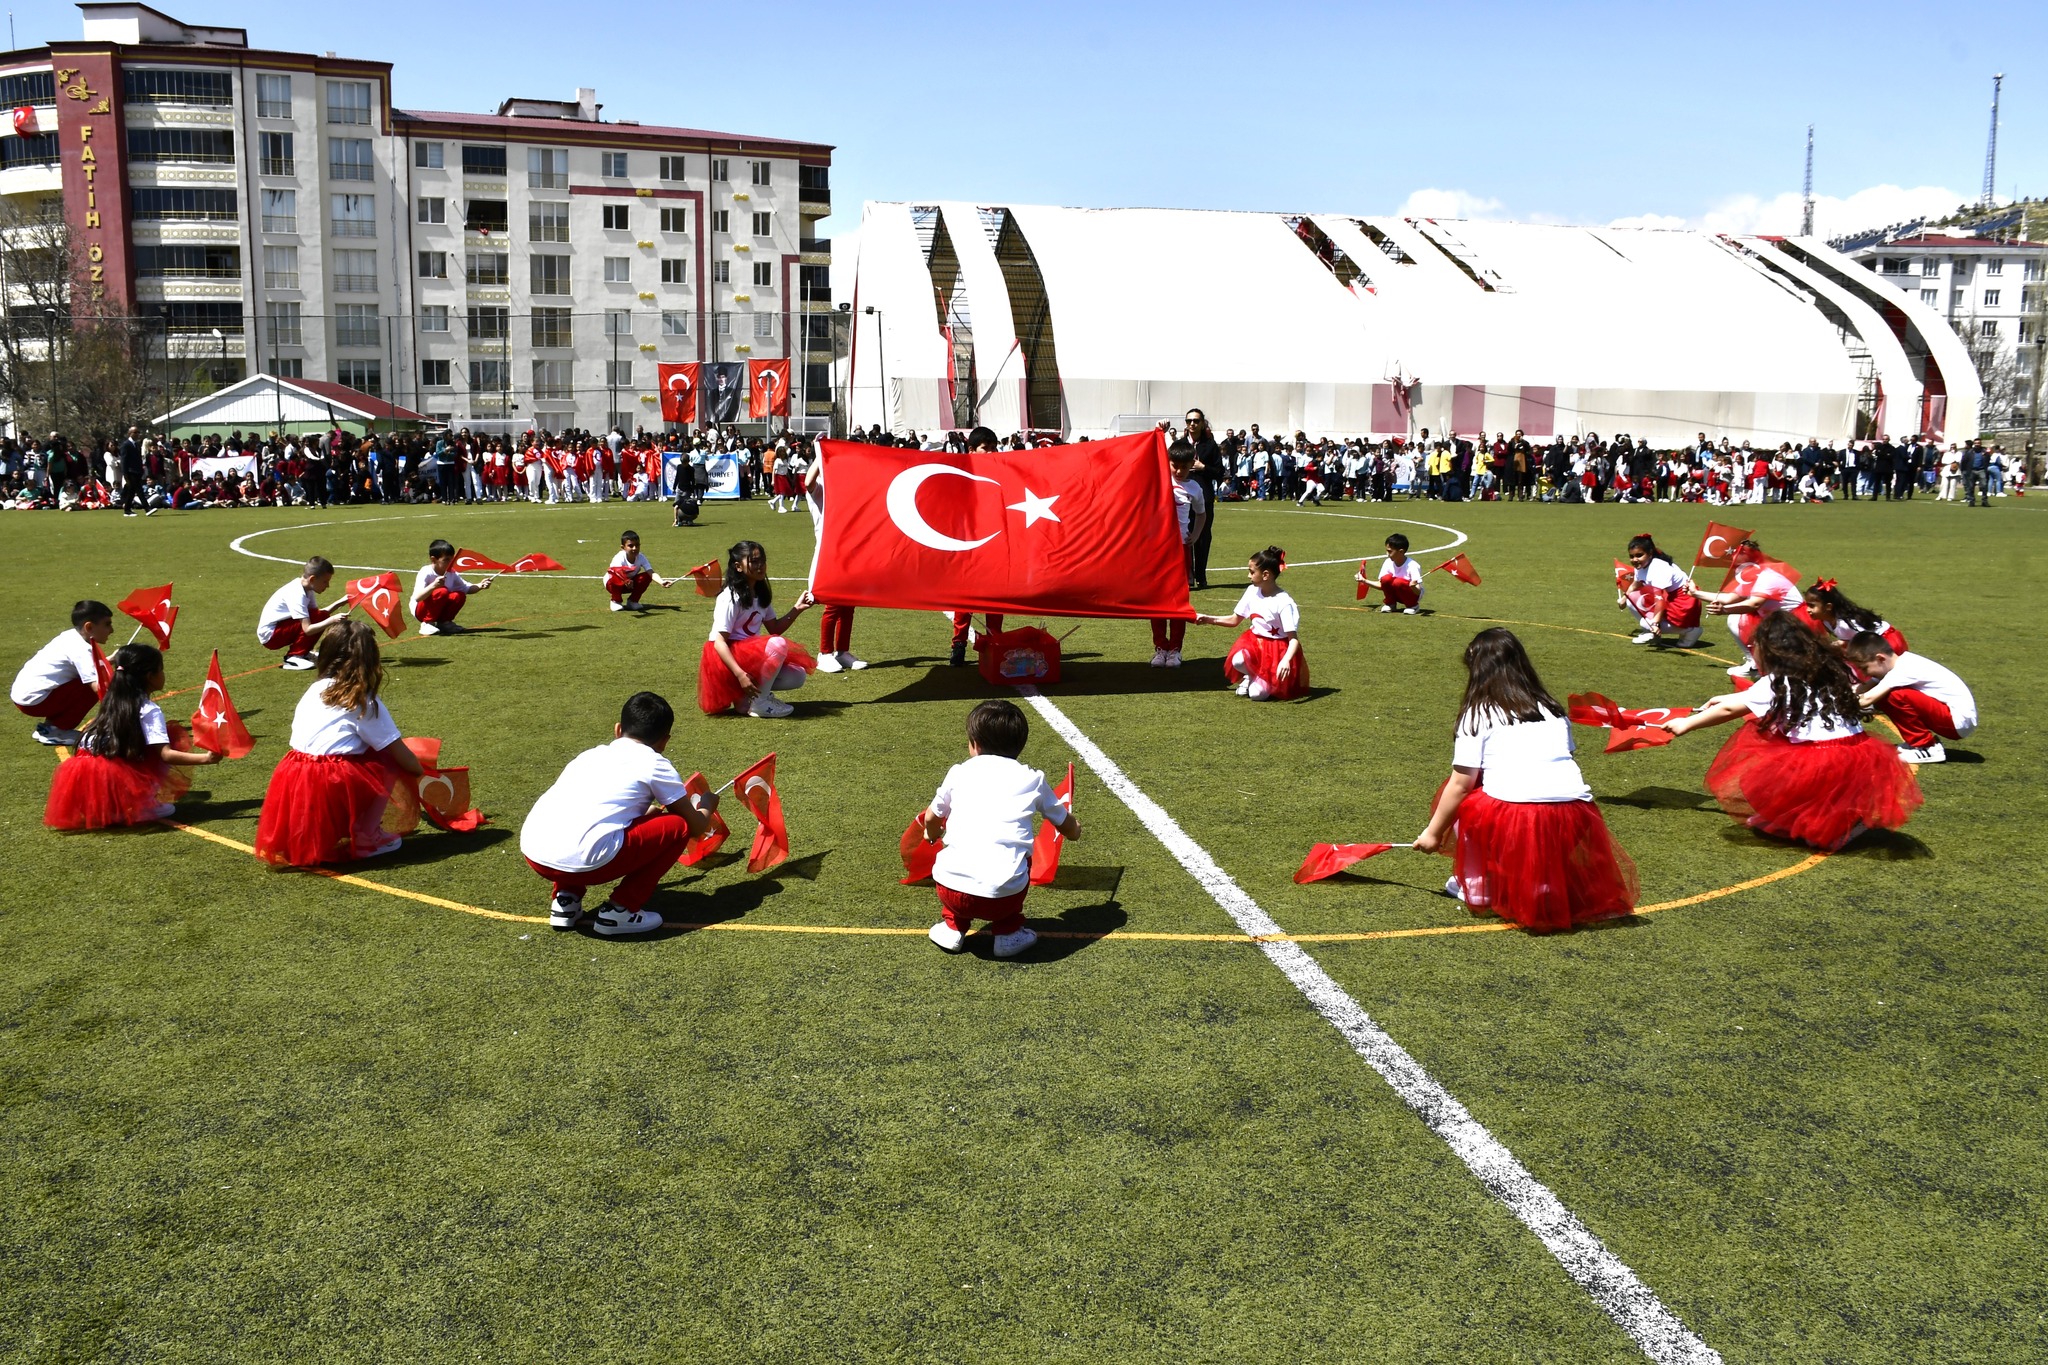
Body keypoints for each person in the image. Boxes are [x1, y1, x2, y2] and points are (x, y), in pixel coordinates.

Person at [1413, 628, 1637, 932]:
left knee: (1465, 800)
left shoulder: (1478, 713)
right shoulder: (1553, 709)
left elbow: (1460, 784)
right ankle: (1542, 882)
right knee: (1514, 806)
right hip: (1576, 813)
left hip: (1517, 812)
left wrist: (1432, 832)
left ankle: (1478, 886)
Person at [1658, 614, 1921, 850]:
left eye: (1755, 647)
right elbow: (1743, 699)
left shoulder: (1778, 680)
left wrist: (1687, 724)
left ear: (1770, 651)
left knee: (1767, 777)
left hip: (1821, 758)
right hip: (1858, 749)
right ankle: (1838, 819)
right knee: (1811, 783)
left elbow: (1730, 710)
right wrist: (1725, 696)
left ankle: (1834, 831)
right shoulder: (1828, 669)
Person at [519, 691, 723, 937]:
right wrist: (707, 804)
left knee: (578, 819)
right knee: (677, 825)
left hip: (534, 853)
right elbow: (695, 827)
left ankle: (566, 901)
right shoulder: (656, 764)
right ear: (664, 741)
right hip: (588, 863)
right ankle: (620, 911)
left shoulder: (588, 756)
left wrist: (643, 815)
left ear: (618, 729)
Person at [254, 620, 429, 866]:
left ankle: (316, 833)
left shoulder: (315, 689)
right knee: (385, 759)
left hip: (294, 772)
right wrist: (421, 772)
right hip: (331, 778)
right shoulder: (362, 700)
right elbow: (401, 754)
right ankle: (367, 836)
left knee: (359, 753)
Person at [916, 698, 1078, 959]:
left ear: (975, 745)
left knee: (954, 856)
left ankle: (953, 926)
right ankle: (1008, 932)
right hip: (1004, 896)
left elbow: (932, 818)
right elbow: (1064, 821)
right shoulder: (1032, 778)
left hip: (950, 887)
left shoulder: (959, 772)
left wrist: (931, 835)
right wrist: (1075, 831)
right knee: (1021, 858)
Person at [44, 643, 219, 830]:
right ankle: (130, 807)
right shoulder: (149, 710)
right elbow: (165, 755)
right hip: (110, 772)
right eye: (161, 670)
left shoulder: (113, 699)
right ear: (150, 676)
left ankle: (109, 805)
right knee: (166, 805)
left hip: (84, 771)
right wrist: (206, 758)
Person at [699, 539, 815, 718]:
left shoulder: (759, 594)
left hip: (750, 658)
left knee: (797, 676)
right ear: (738, 566)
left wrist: (797, 609)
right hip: (727, 659)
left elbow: (775, 627)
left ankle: (749, 697)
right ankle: (760, 702)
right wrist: (740, 675)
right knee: (777, 644)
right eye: (754, 561)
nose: (760, 566)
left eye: (762, 560)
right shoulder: (730, 596)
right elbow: (719, 642)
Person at [1843, 633, 1976, 765]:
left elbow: (1867, 699)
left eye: (1865, 668)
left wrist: (1839, 705)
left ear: (1880, 658)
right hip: (1952, 716)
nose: (1865, 673)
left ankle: (1927, 748)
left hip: (1957, 721)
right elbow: (1862, 688)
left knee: (1894, 696)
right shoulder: (1896, 665)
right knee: (1887, 694)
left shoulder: (1903, 670)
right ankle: (1918, 744)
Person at [1194, 545, 1306, 701]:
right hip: (1255, 643)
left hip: (1277, 651)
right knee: (1238, 660)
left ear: (1266, 575)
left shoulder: (1284, 602)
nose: (1249, 576)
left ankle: (1260, 679)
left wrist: (1286, 660)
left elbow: (1293, 639)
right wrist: (1207, 619)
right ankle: (1251, 676)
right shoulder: (1252, 591)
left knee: (1257, 695)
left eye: (1252, 572)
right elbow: (1234, 620)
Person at [1694, 538, 1801, 678]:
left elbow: (1754, 604)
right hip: (1775, 618)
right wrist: (1694, 593)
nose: (1732, 560)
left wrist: (1724, 610)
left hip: (1793, 621)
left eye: (1737, 556)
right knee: (1736, 618)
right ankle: (1754, 664)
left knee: (1790, 667)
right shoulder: (1750, 575)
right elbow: (1728, 599)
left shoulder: (1767, 577)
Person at [13, 599, 114, 745]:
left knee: (89, 678)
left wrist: (111, 659)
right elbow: (99, 688)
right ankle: (58, 729)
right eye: (107, 624)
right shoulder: (82, 649)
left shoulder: (70, 636)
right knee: (92, 685)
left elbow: (88, 666)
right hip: (35, 701)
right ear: (89, 627)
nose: (111, 630)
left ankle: (49, 728)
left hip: (26, 696)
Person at [801, 453, 867, 674]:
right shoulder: (820, 492)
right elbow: (808, 482)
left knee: (849, 605)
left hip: (850, 555)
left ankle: (843, 651)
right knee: (833, 606)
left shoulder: (846, 494)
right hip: (830, 556)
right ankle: (825, 653)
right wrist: (821, 455)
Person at [949, 427, 1006, 667]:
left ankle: (994, 642)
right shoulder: (958, 472)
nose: (991, 452)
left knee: (996, 598)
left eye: (994, 448)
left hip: (993, 545)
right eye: (986, 448)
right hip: (967, 546)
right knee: (965, 600)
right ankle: (958, 645)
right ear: (972, 450)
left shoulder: (1002, 472)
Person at [1150, 440, 1207, 668]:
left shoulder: (1194, 488)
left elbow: (1201, 514)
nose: (1179, 471)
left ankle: (1175, 649)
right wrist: (1160, 432)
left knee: (1178, 601)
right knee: (1156, 601)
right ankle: (1159, 647)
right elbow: (1150, 455)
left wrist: (1195, 534)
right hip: (1157, 549)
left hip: (1180, 550)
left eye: (1184, 467)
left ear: (1192, 464)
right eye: (1175, 466)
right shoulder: (1159, 480)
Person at [258, 556, 355, 670]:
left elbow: (318, 615)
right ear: (313, 579)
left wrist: (340, 602)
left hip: (280, 629)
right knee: (319, 618)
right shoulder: (297, 594)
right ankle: (294, 657)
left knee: (319, 616)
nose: (327, 586)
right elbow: (308, 629)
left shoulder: (307, 588)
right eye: (325, 581)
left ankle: (303, 653)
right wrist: (332, 620)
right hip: (271, 636)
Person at [1620, 533, 1704, 648]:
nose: (1635, 560)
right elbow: (1637, 583)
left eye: (1639, 555)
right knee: (1632, 599)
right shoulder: (1641, 566)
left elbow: (1661, 599)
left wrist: (1655, 623)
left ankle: (1690, 630)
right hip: (1670, 599)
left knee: (1645, 623)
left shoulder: (1659, 568)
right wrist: (1624, 598)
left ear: (1650, 554)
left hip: (1683, 603)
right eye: (1632, 556)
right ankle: (1651, 630)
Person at [1800, 579, 1907, 654]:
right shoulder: (1826, 621)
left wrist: (1842, 644)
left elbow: (1866, 641)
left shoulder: (1845, 624)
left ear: (1828, 607)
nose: (1807, 610)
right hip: (1872, 642)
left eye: (1812, 606)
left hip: (1887, 641)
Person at [412, 538, 492, 636]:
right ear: (433, 559)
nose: (450, 563)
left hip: (438, 609)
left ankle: (444, 623)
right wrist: (433, 586)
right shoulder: (426, 572)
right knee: (442, 591)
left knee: (459, 595)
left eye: (452, 560)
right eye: (446, 560)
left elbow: (466, 588)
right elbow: (417, 597)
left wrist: (480, 585)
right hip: (421, 611)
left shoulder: (451, 572)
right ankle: (427, 624)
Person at [604, 530, 676, 613]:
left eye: (637, 545)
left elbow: (651, 572)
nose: (635, 548)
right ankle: (615, 600)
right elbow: (615, 572)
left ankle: (633, 601)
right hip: (613, 585)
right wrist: (626, 580)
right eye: (630, 546)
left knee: (646, 576)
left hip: (630, 584)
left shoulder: (641, 557)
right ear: (623, 547)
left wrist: (661, 582)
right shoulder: (619, 557)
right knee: (615, 577)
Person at [1360, 532, 1425, 613]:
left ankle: (1413, 606)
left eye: (1390, 551)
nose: (1387, 554)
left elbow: (1418, 591)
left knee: (1398, 582)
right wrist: (1364, 580)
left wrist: (1413, 587)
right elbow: (1382, 584)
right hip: (1397, 593)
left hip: (1411, 595)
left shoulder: (1413, 565)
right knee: (1386, 578)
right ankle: (1390, 604)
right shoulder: (1388, 562)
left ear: (1401, 551)